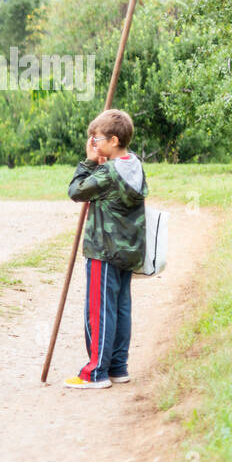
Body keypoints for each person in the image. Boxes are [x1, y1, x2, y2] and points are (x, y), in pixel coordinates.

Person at [65, 108, 147, 389]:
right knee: (121, 307)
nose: (93, 143)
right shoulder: (134, 164)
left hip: (104, 250)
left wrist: (89, 162)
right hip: (128, 251)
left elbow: (76, 191)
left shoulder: (107, 174)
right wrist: (100, 160)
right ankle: (118, 367)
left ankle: (96, 372)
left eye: (96, 139)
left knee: (100, 310)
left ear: (113, 140)